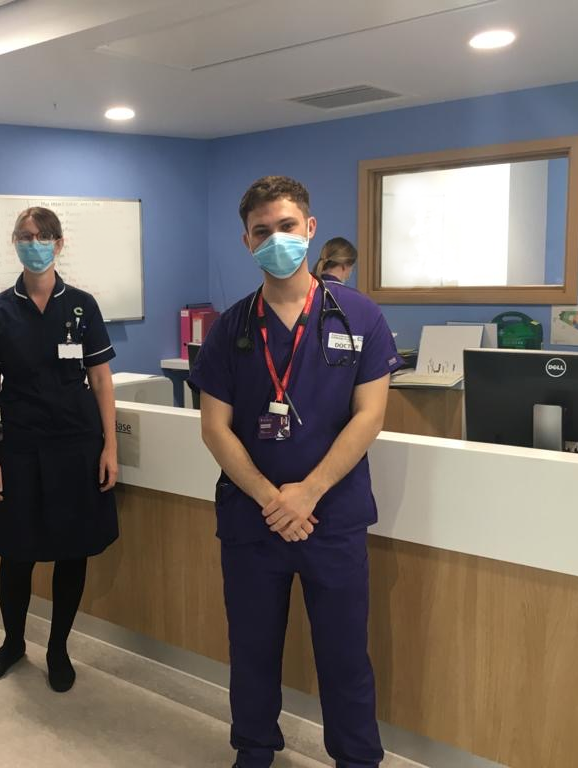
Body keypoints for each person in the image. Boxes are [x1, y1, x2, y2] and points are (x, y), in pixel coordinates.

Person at [189, 176, 402, 768]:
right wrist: (270, 499)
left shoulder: (359, 316)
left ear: (309, 228)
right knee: (252, 649)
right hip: (252, 521)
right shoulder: (230, 330)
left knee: (343, 654)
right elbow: (214, 427)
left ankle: (357, 760)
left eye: (286, 226)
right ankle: (254, 751)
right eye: (262, 231)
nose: (276, 239)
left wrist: (307, 493)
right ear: (246, 241)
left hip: (331, 518)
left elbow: (370, 416)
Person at [0, 206, 118, 693]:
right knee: (16, 554)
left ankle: (58, 648)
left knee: (72, 553)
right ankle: (14, 643)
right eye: (24, 235)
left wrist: (110, 447)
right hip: (20, 446)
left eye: (41, 236)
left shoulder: (81, 305)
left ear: (58, 243)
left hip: (77, 445)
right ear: (15, 243)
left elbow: (100, 378)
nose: (32, 242)